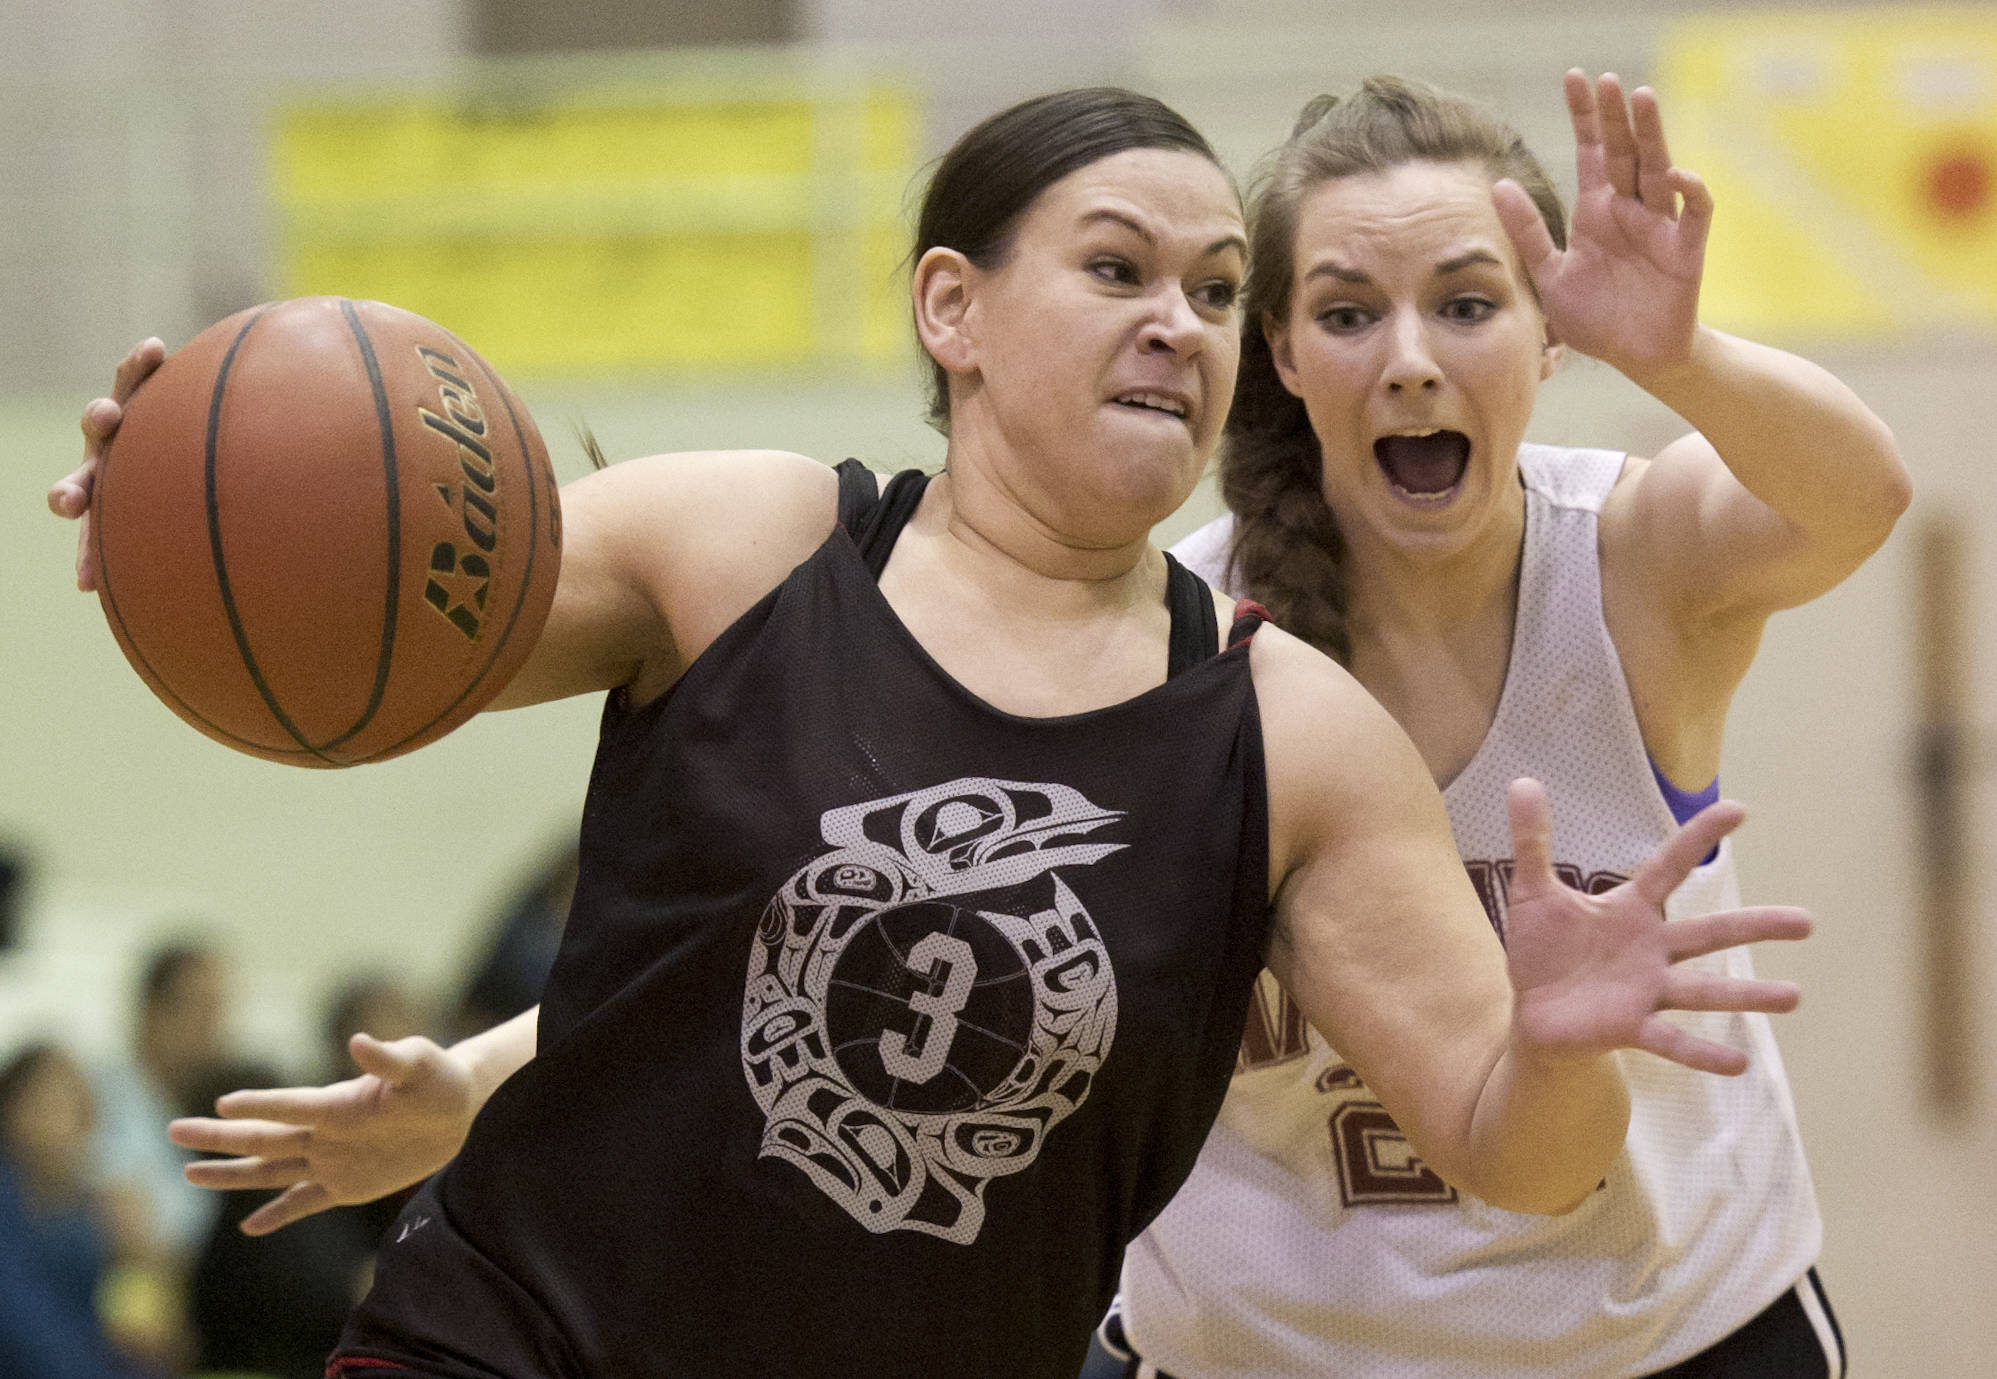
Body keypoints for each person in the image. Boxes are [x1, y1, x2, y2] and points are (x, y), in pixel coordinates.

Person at [52, 87, 1809, 1379]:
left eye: (1212, 290)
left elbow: (1524, 1148)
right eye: (1115, 267)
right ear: (949, 310)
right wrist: (202, 513)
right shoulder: (746, 541)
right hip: (514, 1342)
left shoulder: (1285, 733)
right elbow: (408, 613)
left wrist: (1571, 1039)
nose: (1174, 324)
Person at [1091, 73, 1906, 1379]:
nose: (1411, 357)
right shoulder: (1164, 637)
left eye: (1466, 304)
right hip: (1253, 1349)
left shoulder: (1632, 559)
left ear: (1548, 333)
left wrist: (1678, 353)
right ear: (1285, 354)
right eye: (1349, 314)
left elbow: (1856, 499)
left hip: (1659, 1332)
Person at [0, 1041, 164, 1379]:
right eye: (43, 1106)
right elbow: (26, 1334)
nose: (58, 1125)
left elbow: (144, 1335)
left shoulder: (100, 1205)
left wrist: (136, 1256)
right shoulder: (9, 1203)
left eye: (71, 1107)